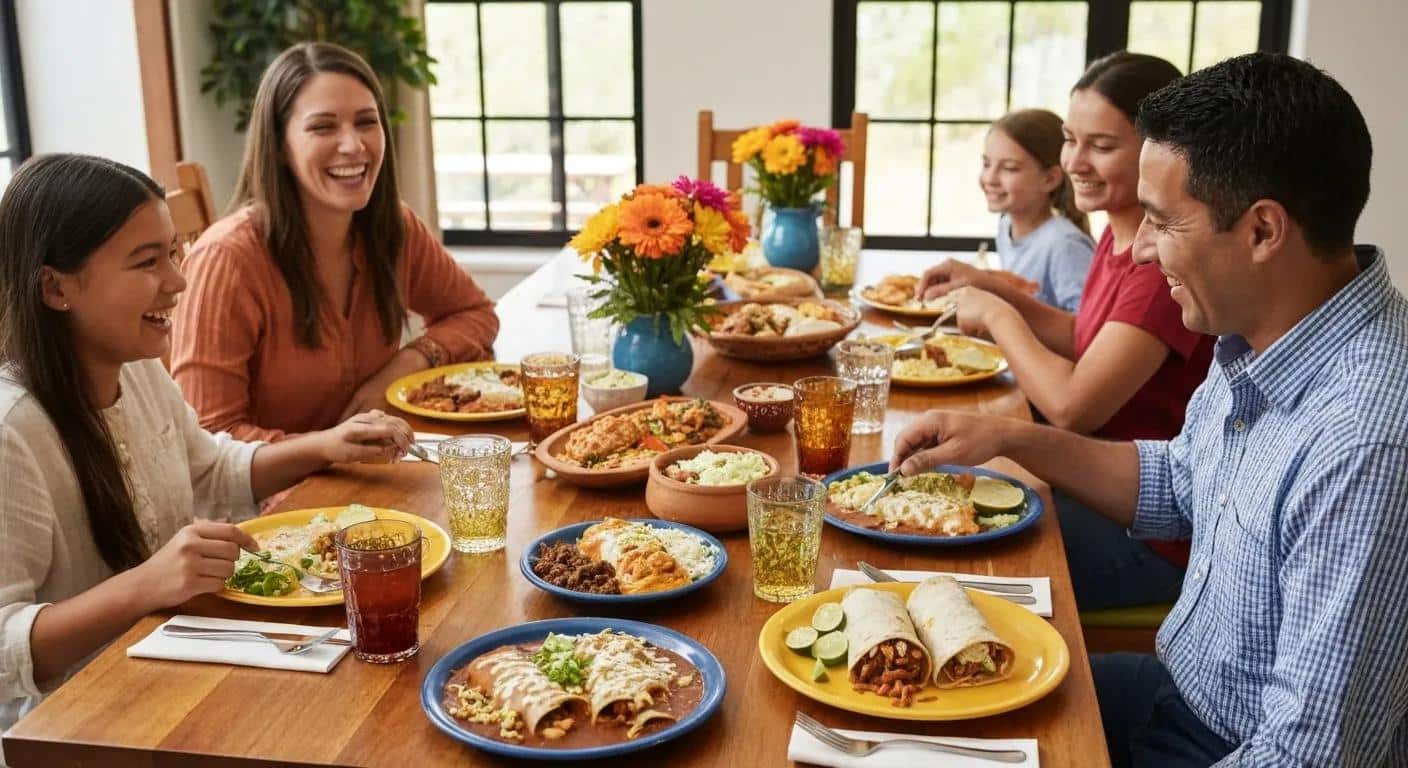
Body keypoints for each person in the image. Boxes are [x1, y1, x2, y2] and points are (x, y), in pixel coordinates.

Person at [892, 53, 1406, 766]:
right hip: (1178, 694)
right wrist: (1007, 437)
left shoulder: (1367, 441)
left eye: (1163, 222)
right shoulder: (1256, 337)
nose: (1138, 252)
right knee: (907, 717)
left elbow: (1308, 754)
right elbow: (1176, 483)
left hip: (1225, 746)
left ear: (1262, 231)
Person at [0, 154, 414, 756]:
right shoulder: (13, 431)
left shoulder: (137, 370)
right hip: (87, 727)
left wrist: (325, 444)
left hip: (181, 668)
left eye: (175, 251)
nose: (178, 281)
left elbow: (212, 469)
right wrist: (149, 584)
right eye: (147, 263)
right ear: (55, 287)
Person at [918, 53, 1215, 610]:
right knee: (935, 501)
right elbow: (1089, 335)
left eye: (1101, 146)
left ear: (1161, 150)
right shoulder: (1118, 231)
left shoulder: (1158, 268)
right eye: (1068, 139)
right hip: (1094, 487)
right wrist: (992, 285)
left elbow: (1074, 408)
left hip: (1149, 540)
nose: (1075, 162)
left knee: (940, 540)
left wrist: (1001, 317)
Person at [172, 42, 500, 442]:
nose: (354, 145)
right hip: (272, 499)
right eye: (323, 127)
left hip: (370, 473)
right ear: (277, 146)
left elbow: (475, 313)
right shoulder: (227, 259)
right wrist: (327, 450)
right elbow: (209, 441)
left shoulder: (392, 226)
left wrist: (408, 362)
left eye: (366, 122)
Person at [981, 109, 1094, 311]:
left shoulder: (1065, 244)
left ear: (1049, 179)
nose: (990, 178)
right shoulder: (1006, 224)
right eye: (986, 164)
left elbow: (1087, 328)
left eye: (1009, 168)